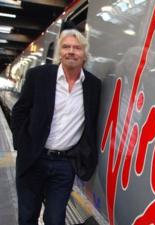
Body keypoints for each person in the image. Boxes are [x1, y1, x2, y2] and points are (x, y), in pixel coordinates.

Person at [11, 29, 101, 225]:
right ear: (60, 52)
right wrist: (22, 144)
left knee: (55, 219)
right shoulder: (38, 76)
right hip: (34, 159)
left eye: (76, 48)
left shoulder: (93, 85)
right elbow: (19, 111)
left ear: (84, 54)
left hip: (65, 164)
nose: (71, 51)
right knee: (27, 216)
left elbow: (91, 123)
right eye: (66, 47)